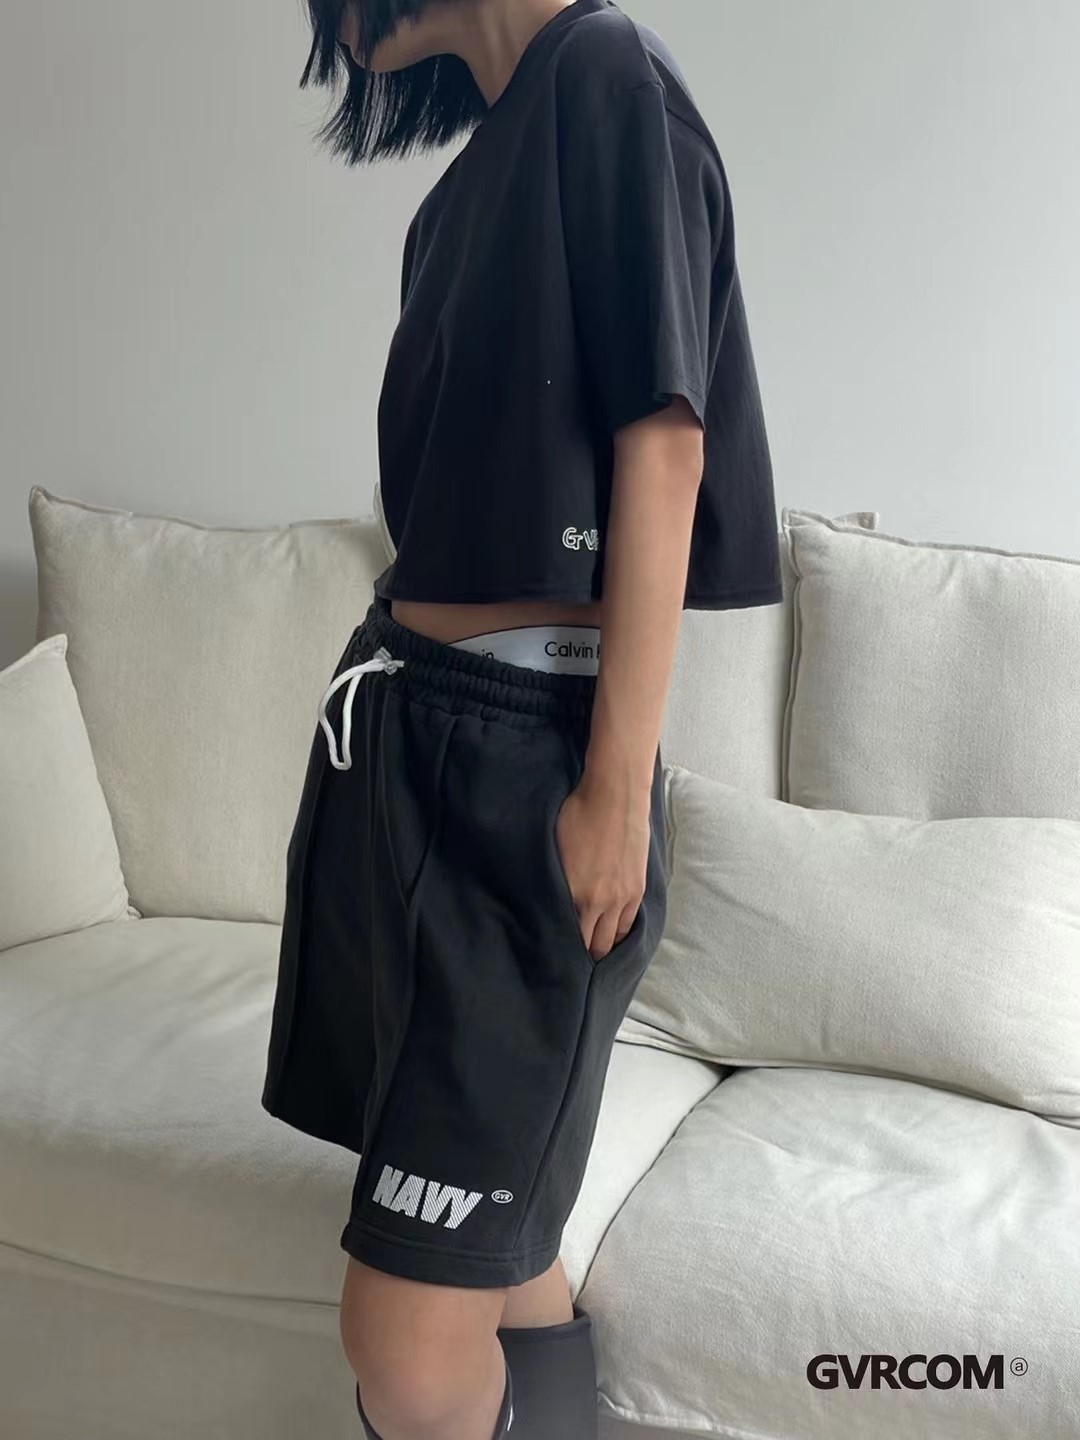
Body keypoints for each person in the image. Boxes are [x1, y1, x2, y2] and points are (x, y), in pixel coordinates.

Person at [261, 1, 784, 1436]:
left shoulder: (604, 75)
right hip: (407, 744)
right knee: (496, 1252)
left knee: (404, 1332)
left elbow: (664, 443)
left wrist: (615, 788)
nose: (335, 33)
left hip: (523, 763)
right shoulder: (467, 188)